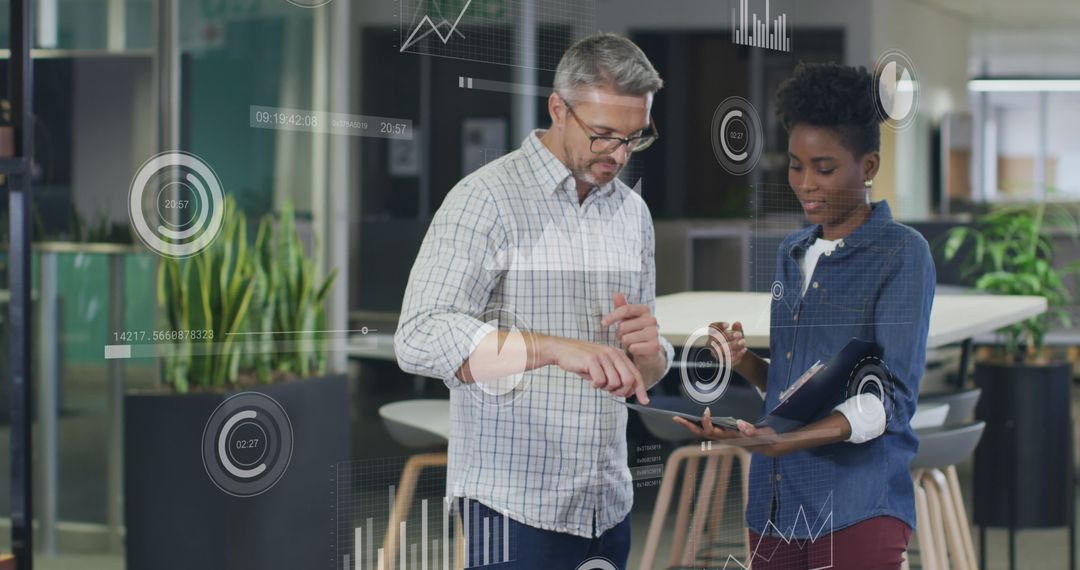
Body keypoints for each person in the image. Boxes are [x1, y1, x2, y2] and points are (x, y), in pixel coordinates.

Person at [395, 33, 672, 570]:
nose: (618, 155)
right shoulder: (486, 199)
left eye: (634, 138)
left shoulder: (632, 213)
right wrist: (551, 348)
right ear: (557, 109)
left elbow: (646, 371)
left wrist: (648, 353)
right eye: (603, 135)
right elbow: (418, 337)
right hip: (514, 510)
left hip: (606, 505)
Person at [674, 62, 935, 569]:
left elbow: (889, 401)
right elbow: (796, 392)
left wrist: (786, 441)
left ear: (869, 165)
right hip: (775, 504)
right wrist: (745, 362)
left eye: (825, 167)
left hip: (858, 506)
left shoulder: (902, 253)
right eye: (796, 165)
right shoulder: (792, 252)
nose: (806, 184)